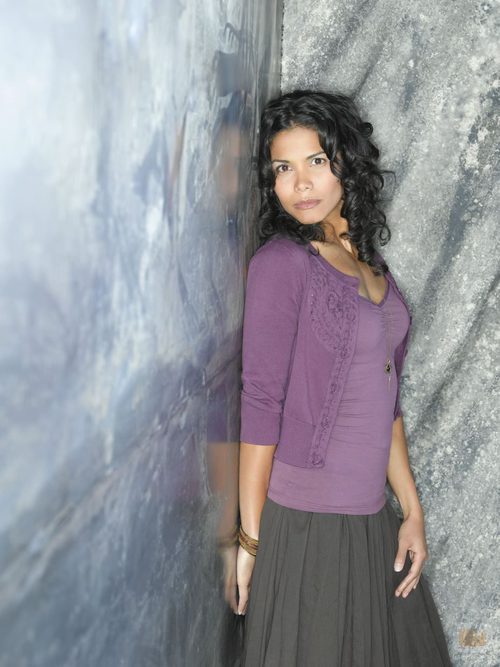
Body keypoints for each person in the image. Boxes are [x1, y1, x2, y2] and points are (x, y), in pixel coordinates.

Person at [236, 90, 452, 666]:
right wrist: (253, 541)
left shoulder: (371, 264)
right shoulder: (282, 263)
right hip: (308, 525)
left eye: (316, 161)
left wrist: (411, 510)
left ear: (346, 163)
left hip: (370, 518)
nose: (300, 183)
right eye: (283, 168)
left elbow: (387, 400)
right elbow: (260, 402)